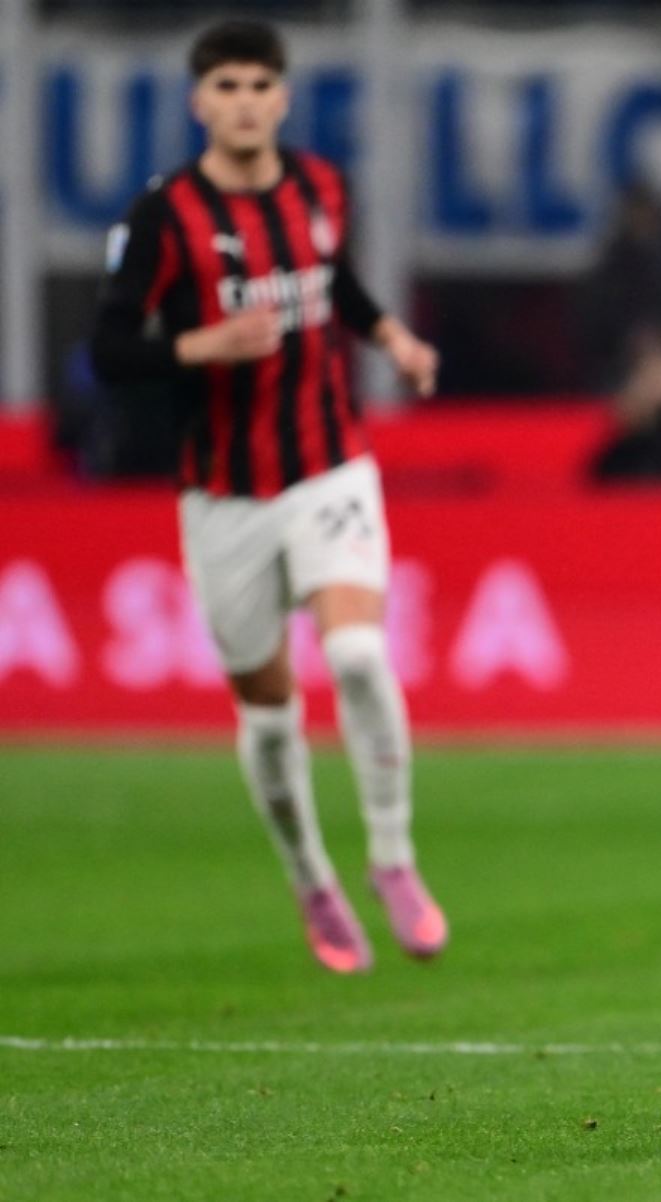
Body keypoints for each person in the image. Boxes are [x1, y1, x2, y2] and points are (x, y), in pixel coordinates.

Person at [90, 20, 446, 973]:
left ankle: (392, 858)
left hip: (330, 464)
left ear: (282, 98)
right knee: (270, 711)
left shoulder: (321, 185)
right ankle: (311, 879)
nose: (244, 102)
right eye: (227, 86)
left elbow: (337, 284)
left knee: (360, 655)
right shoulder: (164, 215)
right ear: (200, 102)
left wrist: (393, 339)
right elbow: (109, 350)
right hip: (224, 496)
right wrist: (199, 345)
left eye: (259, 85)